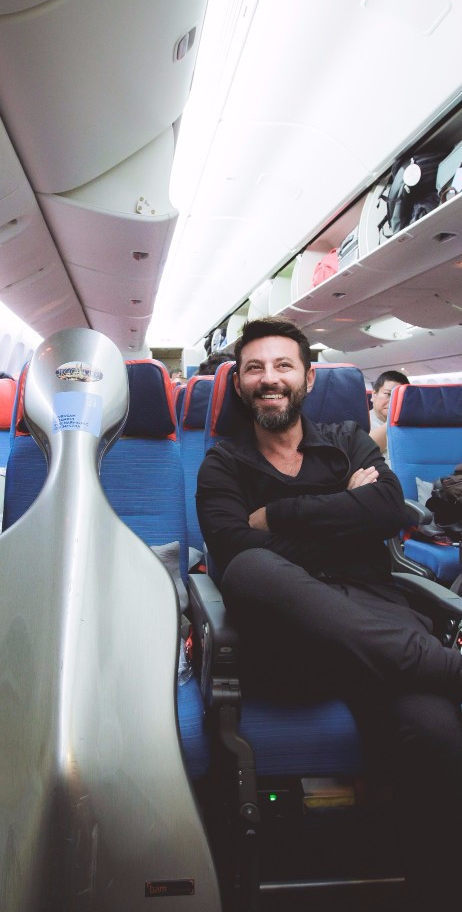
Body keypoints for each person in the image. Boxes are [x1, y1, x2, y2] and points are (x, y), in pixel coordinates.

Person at [195, 317, 461, 909]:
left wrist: (280, 517)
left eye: (283, 366)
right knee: (253, 570)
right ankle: (450, 668)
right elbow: (234, 550)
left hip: (373, 626)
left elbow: (391, 510)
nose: (269, 378)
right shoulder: (223, 465)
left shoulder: (346, 438)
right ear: (238, 383)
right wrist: (344, 511)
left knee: (436, 732)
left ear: (307, 379)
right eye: (255, 368)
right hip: (292, 647)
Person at [368, 369, 410, 464]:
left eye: (399, 397)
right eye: (388, 394)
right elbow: (366, 449)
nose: (392, 401)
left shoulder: (411, 425)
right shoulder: (361, 424)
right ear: (374, 395)